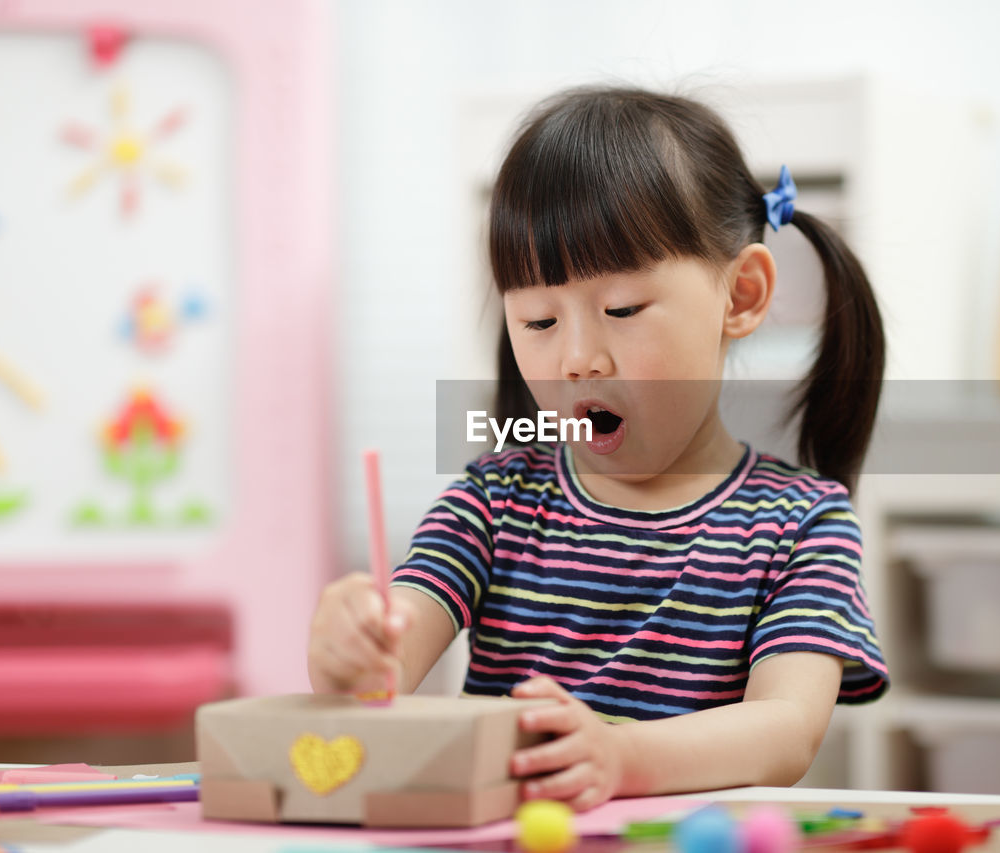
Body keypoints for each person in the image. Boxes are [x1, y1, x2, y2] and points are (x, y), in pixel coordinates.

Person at [308, 85, 888, 811]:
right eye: (540, 320)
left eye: (621, 310)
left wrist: (623, 756)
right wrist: (350, 652)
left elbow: (787, 729)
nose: (579, 357)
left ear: (739, 297)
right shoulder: (491, 503)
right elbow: (390, 653)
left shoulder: (803, 522)